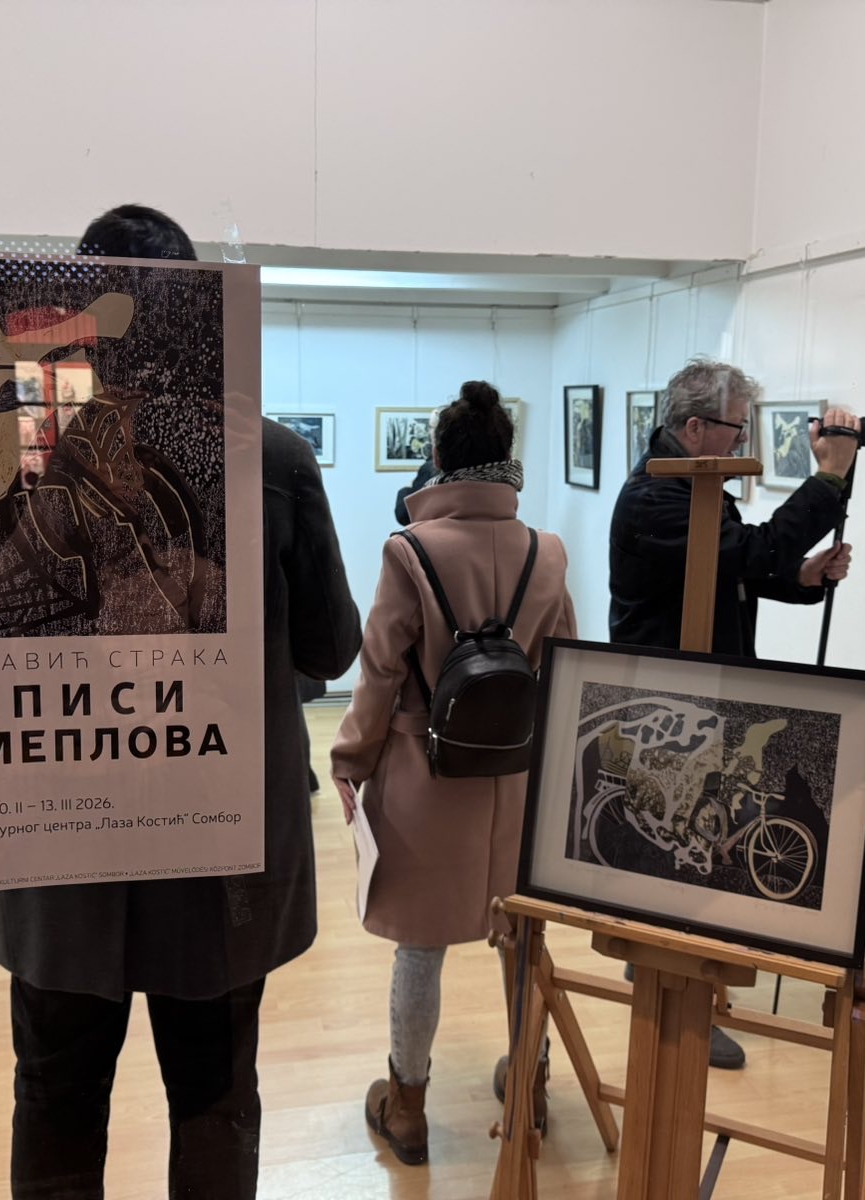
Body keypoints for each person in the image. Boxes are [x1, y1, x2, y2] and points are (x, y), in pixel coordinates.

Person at [0, 205, 362, 1200]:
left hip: (55, 849)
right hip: (215, 855)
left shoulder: (11, 460)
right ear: (198, 311)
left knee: (55, 1099)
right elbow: (330, 647)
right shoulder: (271, 457)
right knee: (213, 1100)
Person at [331, 380, 577, 1167]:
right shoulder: (548, 552)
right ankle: (531, 1084)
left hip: (423, 776)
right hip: (516, 777)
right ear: (507, 457)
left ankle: (407, 1109)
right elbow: (565, 668)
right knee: (521, 938)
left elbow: (379, 669)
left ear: (439, 457)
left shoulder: (409, 551)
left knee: (421, 946)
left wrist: (349, 759)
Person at [607, 356, 857, 1069]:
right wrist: (829, 478)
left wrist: (802, 578)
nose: (746, 443)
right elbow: (754, 549)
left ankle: (680, 988)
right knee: (683, 847)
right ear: (695, 428)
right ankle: (676, 1001)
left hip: (706, 695)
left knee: (702, 842)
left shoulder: (698, 489)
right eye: (737, 429)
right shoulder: (655, 499)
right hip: (669, 707)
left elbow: (737, 567)